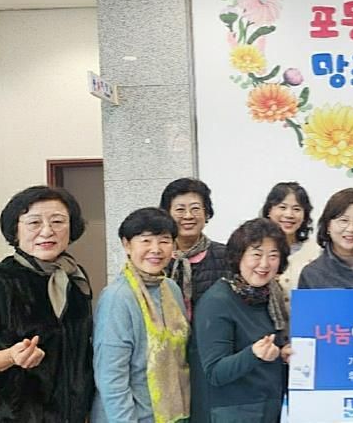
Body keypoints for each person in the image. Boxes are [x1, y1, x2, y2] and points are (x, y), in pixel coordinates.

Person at [0, 186, 94, 422]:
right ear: (15, 231)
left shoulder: (75, 278)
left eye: (58, 222)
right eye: (34, 223)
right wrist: (10, 357)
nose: (47, 231)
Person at [92, 207, 189, 423]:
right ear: (127, 245)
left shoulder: (171, 288)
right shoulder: (117, 297)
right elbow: (111, 377)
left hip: (172, 415)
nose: (156, 249)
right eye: (145, 241)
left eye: (164, 241)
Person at [191, 218, 291, 422]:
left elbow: (267, 352)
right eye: (256, 254)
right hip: (231, 413)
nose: (264, 264)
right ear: (239, 257)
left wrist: (281, 354)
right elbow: (215, 372)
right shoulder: (217, 301)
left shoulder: (271, 296)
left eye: (273, 256)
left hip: (267, 407)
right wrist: (254, 354)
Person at [160, 177, 229, 320]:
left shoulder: (226, 256)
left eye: (195, 209)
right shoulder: (158, 258)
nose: (188, 216)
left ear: (207, 213)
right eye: (180, 210)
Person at [261, 182, 320, 310]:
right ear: (269, 211)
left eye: (296, 209)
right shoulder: (256, 249)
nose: (289, 214)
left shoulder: (316, 252)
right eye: (282, 207)